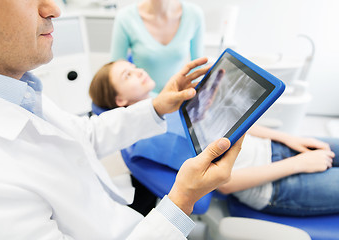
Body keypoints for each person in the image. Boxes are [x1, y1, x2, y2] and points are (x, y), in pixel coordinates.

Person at [0, 1, 244, 239]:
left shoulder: (21, 91)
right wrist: (182, 200)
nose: (54, 9)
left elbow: (84, 133)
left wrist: (156, 106)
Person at [89, 59, 339, 217]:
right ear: (119, 100)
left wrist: (287, 139)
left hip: (274, 147)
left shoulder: (175, 103)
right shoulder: (148, 142)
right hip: (271, 183)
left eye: (133, 67)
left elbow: (237, 124)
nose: (138, 71)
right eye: (127, 76)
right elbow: (222, 182)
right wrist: (298, 164)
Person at [110, 0, 205, 93]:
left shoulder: (194, 15)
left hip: (178, 97)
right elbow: (115, 76)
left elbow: (198, 67)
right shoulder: (125, 18)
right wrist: (156, 102)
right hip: (143, 101)